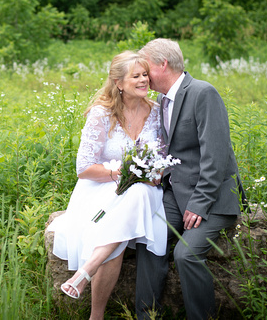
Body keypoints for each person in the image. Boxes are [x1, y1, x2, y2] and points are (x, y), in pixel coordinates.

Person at [47, 50, 168, 319]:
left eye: (145, 74)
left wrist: (150, 174)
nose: (143, 80)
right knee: (117, 232)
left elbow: (161, 159)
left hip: (145, 190)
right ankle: (97, 314)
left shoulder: (158, 112)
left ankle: (87, 278)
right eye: (135, 76)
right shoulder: (102, 114)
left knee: (138, 192)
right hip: (101, 188)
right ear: (118, 83)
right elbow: (84, 169)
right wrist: (124, 172)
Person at [134, 38, 245, 320]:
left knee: (187, 255)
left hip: (214, 198)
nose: (144, 76)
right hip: (177, 193)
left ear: (163, 64)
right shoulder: (162, 100)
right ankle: (147, 316)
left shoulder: (202, 93)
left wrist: (199, 203)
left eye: (146, 69)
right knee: (149, 239)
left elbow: (216, 156)